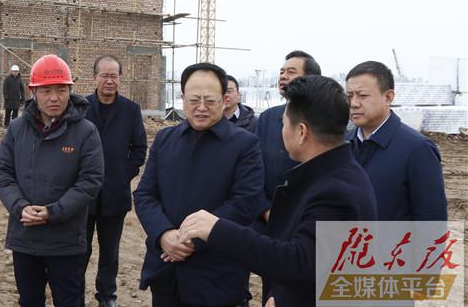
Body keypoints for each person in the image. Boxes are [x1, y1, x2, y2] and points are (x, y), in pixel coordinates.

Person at [179, 75, 378, 307]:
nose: (282, 131)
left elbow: (299, 260)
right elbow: (316, 262)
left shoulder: (334, 191)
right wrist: (283, 296)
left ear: (301, 132)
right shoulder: (331, 173)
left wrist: (217, 229)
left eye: (284, 124)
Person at [134, 62, 264, 307]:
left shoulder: (244, 144)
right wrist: (164, 234)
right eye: (194, 100)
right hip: (166, 268)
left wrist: (191, 240)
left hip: (217, 273)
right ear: (183, 98)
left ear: (224, 100)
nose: (201, 108)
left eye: (210, 101)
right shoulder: (165, 139)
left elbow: (245, 203)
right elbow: (145, 195)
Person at [0, 54, 104, 307]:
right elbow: (3, 172)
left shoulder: (85, 132)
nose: (54, 98)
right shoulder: (17, 129)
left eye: (61, 90)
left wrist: (53, 212)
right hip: (25, 237)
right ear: (33, 92)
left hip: (66, 242)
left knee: (69, 301)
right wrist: (20, 206)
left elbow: (90, 181)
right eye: (46, 91)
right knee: (29, 300)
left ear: (70, 91)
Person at [80, 55, 147, 307]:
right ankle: (75, 294)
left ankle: (106, 296)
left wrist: (123, 174)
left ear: (120, 78)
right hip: (82, 195)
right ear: (94, 78)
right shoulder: (81, 108)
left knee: (110, 252)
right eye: (104, 75)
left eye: (114, 76)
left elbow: (139, 148)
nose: (109, 80)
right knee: (80, 249)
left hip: (115, 194)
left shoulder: (131, 110)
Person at [345, 61, 447, 220]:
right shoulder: (342, 145)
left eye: (363, 96)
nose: (354, 103)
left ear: (388, 97)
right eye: (349, 96)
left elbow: (431, 220)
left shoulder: (417, 149)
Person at [255, 50, 321, 221]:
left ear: (311, 78)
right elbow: (253, 169)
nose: (283, 76)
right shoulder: (267, 118)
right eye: (282, 72)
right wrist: (265, 210)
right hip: (265, 218)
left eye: (291, 72)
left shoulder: (325, 119)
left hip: (308, 218)